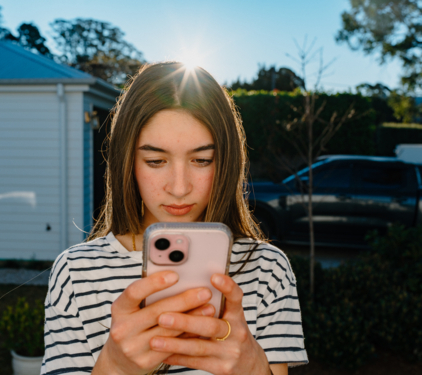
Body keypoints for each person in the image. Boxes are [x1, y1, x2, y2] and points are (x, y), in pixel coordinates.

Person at [41, 62, 308, 375]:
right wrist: (113, 366)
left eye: (201, 160)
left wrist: (253, 368)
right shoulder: (76, 273)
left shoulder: (267, 270)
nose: (179, 188)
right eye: (155, 161)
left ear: (226, 162)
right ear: (127, 162)